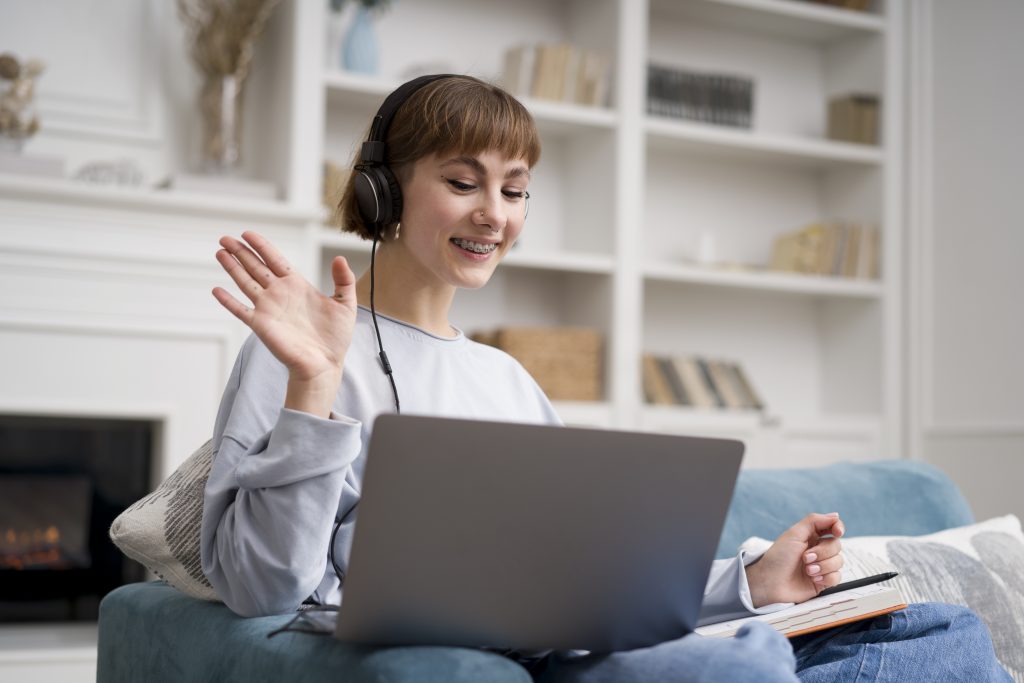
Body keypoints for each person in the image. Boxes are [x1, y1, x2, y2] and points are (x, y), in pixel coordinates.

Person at [200, 75, 1011, 682]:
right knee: (744, 669)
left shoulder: (506, 377)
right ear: (384, 192)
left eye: (514, 190)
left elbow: (594, 569)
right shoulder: (297, 348)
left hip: (584, 634)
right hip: (517, 651)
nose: (495, 214)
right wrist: (314, 383)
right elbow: (258, 584)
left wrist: (754, 581)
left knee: (946, 632)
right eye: (462, 182)